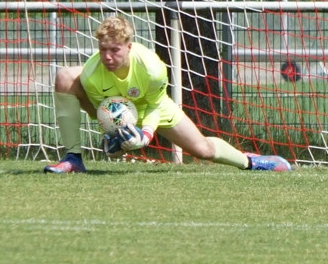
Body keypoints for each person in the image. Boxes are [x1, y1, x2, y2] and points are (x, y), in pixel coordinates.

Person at [43, 14, 293, 173]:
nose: (107, 57)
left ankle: (251, 162)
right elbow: (104, 112)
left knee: (203, 150)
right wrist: (115, 138)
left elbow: (154, 105)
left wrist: (145, 135)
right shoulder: (91, 73)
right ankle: (73, 159)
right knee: (65, 75)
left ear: (129, 47)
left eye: (115, 50)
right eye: (103, 49)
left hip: (155, 107)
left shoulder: (152, 69)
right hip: (122, 109)